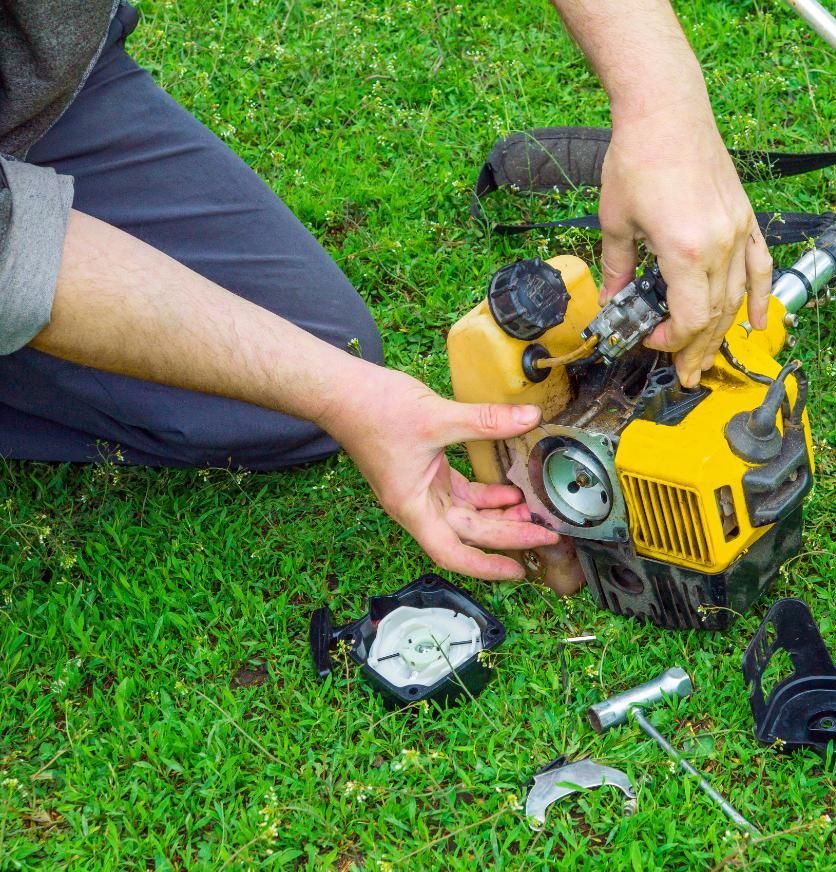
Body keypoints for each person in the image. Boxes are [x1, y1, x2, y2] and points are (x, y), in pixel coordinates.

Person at [0, 2, 773, 585]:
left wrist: (665, 111)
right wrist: (349, 399)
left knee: (304, 358)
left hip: (45, 81)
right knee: (296, 382)